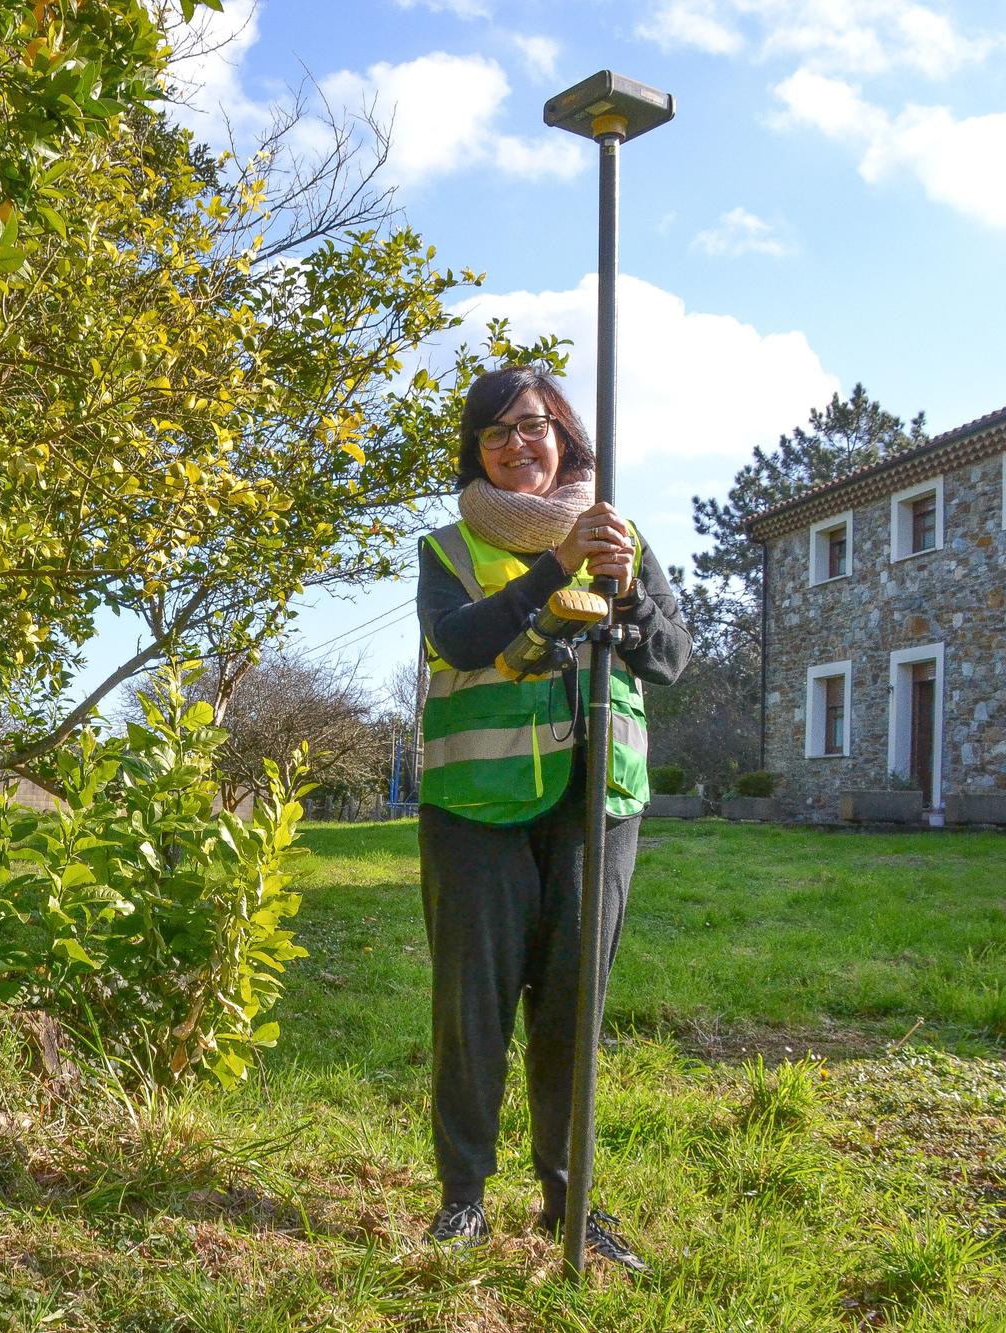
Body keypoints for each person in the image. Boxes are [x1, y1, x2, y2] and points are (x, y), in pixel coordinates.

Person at [415, 364, 690, 1269]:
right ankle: (463, 1201)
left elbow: (672, 658)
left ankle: (569, 1204)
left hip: (595, 806)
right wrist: (555, 568)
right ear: (476, 454)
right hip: (476, 810)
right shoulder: (448, 549)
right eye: (494, 434)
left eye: (530, 425)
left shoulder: (620, 534)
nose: (515, 445)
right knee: (474, 1006)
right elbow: (458, 640)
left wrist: (629, 589)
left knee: (575, 1007)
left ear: (563, 433)